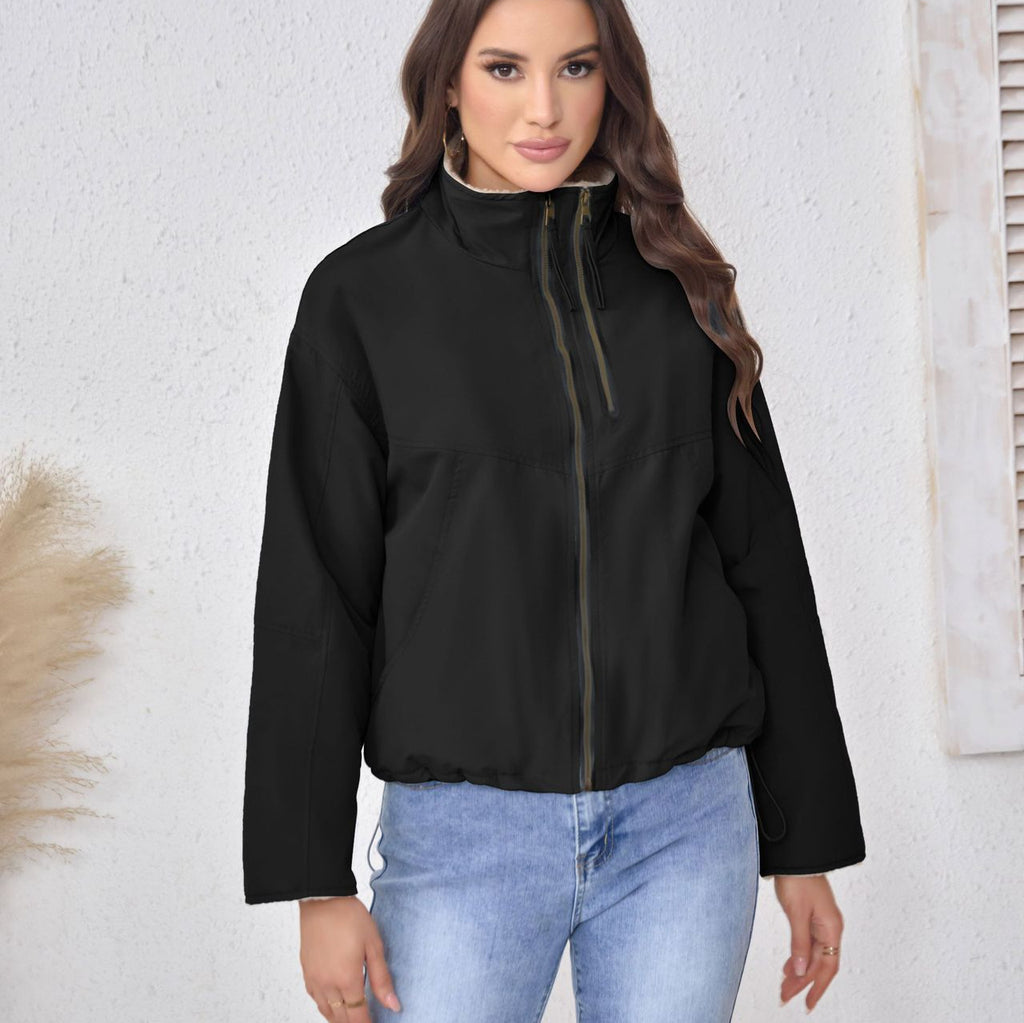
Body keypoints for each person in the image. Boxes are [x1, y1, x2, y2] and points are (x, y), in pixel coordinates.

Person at [241, 0, 867, 1020]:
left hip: (684, 829)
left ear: (611, 80)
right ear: (448, 84)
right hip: (464, 843)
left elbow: (764, 569)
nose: (544, 107)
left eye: (576, 68)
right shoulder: (362, 301)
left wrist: (804, 842)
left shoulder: (679, 289)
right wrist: (316, 883)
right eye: (504, 69)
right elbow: (316, 601)